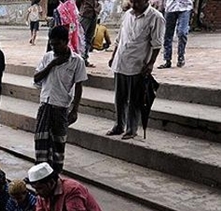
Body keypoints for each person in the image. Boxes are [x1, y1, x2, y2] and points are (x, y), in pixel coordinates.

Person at [33, 25, 87, 174]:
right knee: (41, 141)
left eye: (58, 44)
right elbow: (36, 78)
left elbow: (79, 86)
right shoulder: (47, 57)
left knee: (58, 143)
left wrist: (75, 109)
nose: (54, 47)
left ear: (66, 41)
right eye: (52, 44)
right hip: (45, 104)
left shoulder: (77, 61)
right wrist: (52, 65)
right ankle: (40, 174)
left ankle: (55, 174)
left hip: (61, 107)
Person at [107, 0, 164, 140]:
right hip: (121, 62)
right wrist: (113, 56)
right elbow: (120, 38)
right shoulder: (127, 15)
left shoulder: (155, 17)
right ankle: (119, 125)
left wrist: (151, 63)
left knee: (134, 100)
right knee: (119, 99)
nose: (133, 3)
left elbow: (156, 44)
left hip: (137, 64)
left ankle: (131, 129)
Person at [158, 0, 192, 68]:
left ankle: (181, 56)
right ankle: (167, 59)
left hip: (185, 7)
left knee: (182, 33)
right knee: (168, 34)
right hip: (170, 7)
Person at [79, 0, 99, 67]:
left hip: (94, 14)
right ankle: (80, 59)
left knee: (89, 38)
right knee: (81, 38)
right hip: (85, 14)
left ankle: (84, 59)